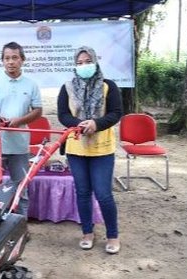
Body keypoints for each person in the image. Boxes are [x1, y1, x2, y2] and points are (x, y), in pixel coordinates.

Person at [57, 46, 122, 254]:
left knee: (103, 194)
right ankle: (87, 232)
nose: (83, 65)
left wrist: (96, 123)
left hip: (102, 149)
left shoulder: (108, 86)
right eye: (79, 62)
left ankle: (112, 235)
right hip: (76, 149)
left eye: (87, 61)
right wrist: (79, 124)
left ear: (95, 61)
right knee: (83, 193)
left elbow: (115, 113)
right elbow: (63, 115)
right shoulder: (67, 87)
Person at [0, 41, 42, 217]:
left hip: (19, 146)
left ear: (22, 60)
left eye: (15, 58)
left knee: (21, 187)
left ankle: (20, 225)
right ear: (2, 61)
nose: (11, 62)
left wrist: (20, 121)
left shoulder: (31, 84)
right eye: (7, 58)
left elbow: (38, 111)